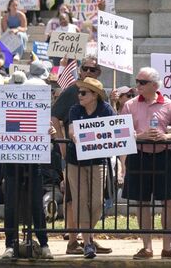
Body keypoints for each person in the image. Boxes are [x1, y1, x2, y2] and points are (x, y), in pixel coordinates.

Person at [120, 67, 171, 259]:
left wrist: (166, 136)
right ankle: (146, 247)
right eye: (137, 81)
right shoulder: (130, 105)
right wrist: (141, 136)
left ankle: (168, 246)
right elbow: (120, 132)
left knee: (170, 202)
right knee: (141, 202)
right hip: (139, 156)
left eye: (142, 82)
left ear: (155, 85)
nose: (137, 85)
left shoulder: (168, 104)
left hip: (163, 155)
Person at [0, 67, 54, 260]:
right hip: (12, 162)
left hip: (33, 161)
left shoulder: (39, 110)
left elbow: (45, 131)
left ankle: (44, 244)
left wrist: (50, 134)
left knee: (37, 204)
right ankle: (10, 245)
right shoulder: (5, 108)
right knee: (11, 205)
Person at [64, 76, 114, 259]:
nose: (79, 95)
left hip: (98, 160)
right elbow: (71, 130)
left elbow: (115, 130)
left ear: (95, 95)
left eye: (84, 92)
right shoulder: (75, 110)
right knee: (79, 200)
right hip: (75, 161)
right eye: (79, 91)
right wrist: (75, 136)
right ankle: (87, 243)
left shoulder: (106, 109)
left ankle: (88, 235)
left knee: (97, 202)